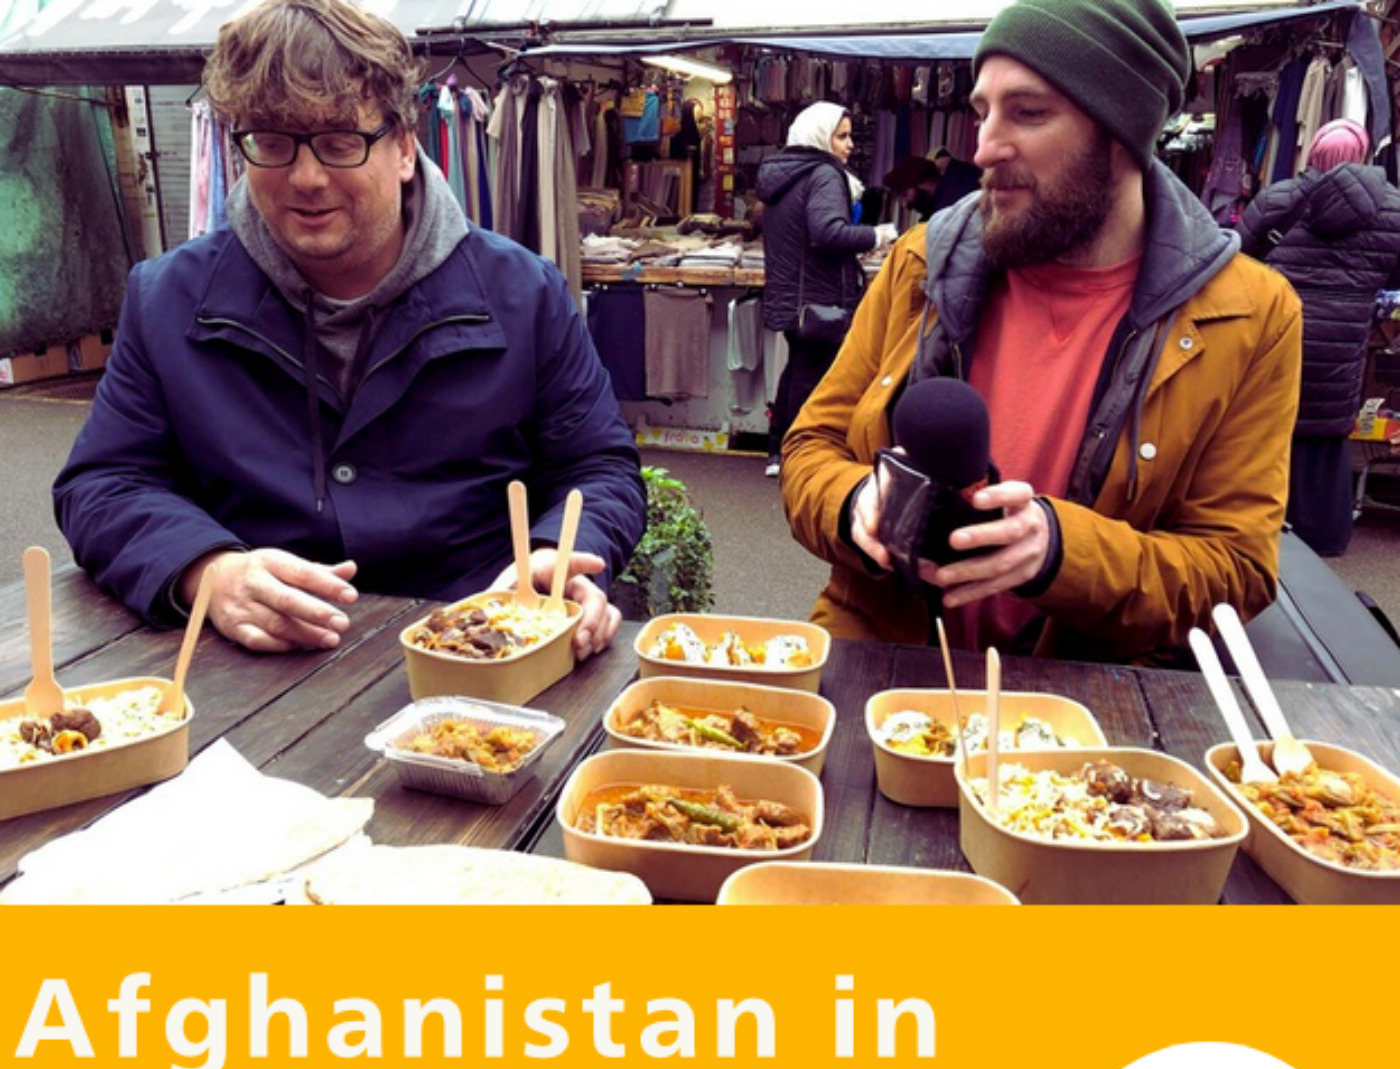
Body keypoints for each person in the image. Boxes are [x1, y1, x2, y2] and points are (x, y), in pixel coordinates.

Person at [53, 0, 645, 657]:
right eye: (272, 142)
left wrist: (558, 554)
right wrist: (206, 569)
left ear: (404, 147)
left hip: (486, 648)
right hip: (253, 667)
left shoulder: (523, 294)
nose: (306, 178)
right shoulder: (167, 299)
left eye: (340, 142)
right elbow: (102, 485)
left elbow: (598, 467)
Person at [781, 0, 1303, 667]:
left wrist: (1060, 553)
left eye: (1028, 113)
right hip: (882, 671)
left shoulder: (1252, 315)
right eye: (982, 112)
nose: (984, 148)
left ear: (1123, 131)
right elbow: (810, 450)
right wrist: (856, 503)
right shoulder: (920, 263)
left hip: (1086, 702)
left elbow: (1235, 573)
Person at [1238, 118, 1400, 556]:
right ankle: (1324, 536)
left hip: (1277, 334)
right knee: (1327, 437)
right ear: (1363, 154)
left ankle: (1258, 528)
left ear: (1313, 152)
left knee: (1268, 427)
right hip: (1342, 344)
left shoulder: (1280, 199)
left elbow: (1236, 260)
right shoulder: (1392, 210)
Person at [755, 102, 897, 477]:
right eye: (841, 136)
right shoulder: (824, 174)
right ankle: (795, 454)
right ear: (821, 136)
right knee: (812, 376)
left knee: (797, 370)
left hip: (793, 295)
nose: (850, 145)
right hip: (819, 297)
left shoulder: (786, 174)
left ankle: (777, 451)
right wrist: (876, 235)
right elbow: (827, 232)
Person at [883, 149, 983, 221]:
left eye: (904, 194)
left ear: (919, 181)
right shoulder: (961, 175)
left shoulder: (948, 209)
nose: (905, 205)